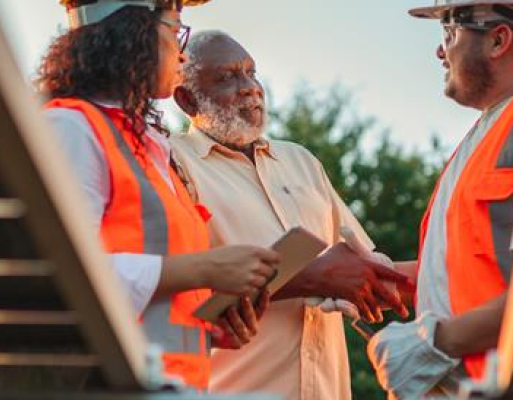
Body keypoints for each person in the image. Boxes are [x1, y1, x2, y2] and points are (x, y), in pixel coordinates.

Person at [37, 0, 278, 391]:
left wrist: (204, 320)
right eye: (175, 30)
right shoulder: (71, 129)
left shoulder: (148, 147)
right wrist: (202, 269)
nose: (181, 52)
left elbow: (149, 292)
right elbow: (59, 276)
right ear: (132, 33)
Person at [170, 31, 411, 400]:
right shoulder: (171, 163)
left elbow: (368, 275)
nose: (250, 87)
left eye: (252, 73)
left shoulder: (300, 160)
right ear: (187, 100)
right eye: (227, 78)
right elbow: (179, 298)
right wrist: (308, 277)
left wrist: (494, 292)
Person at [366, 0, 513, 398]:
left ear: (498, 39)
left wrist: (437, 342)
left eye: (451, 34)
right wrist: (376, 276)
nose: (440, 51)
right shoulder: (488, 131)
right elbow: (470, 269)